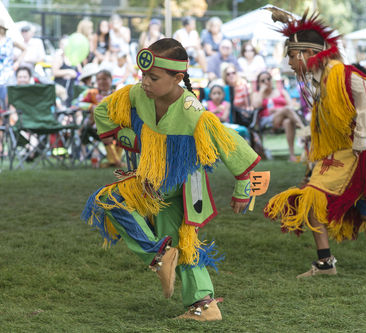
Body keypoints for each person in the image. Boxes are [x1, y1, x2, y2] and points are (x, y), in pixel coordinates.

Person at [81, 38, 260, 321]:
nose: (145, 82)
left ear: (178, 78)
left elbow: (231, 144)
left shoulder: (192, 111)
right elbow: (103, 111)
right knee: (182, 241)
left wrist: (243, 187)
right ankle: (204, 306)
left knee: (110, 199)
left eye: (153, 77)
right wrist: (127, 136)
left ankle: (159, 256)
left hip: (184, 183)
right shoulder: (138, 95)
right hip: (159, 181)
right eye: (143, 75)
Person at [263, 10, 366, 278]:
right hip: (338, 151)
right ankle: (327, 263)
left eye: (291, 56)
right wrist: (290, 22)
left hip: (360, 150)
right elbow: (318, 38)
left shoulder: (339, 72)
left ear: (305, 54)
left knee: (358, 208)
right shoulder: (321, 77)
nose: (289, 62)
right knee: (338, 205)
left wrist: (361, 140)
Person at [251, 70, 304, 162]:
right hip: (268, 120)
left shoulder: (281, 91)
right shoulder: (257, 94)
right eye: (263, 81)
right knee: (286, 110)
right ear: (259, 83)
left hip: (285, 117)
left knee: (288, 121)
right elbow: (256, 105)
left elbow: (291, 105)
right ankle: (304, 131)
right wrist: (262, 91)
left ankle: (292, 155)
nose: (266, 82)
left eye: (268, 79)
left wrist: (278, 110)